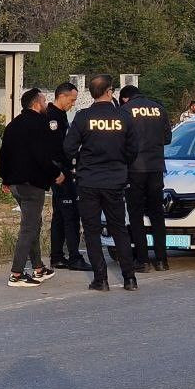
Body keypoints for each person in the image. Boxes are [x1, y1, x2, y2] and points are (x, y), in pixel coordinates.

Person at [63, 74, 138, 292]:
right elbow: (133, 150)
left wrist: (78, 164)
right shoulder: (123, 117)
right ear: (109, 91)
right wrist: (120, 165)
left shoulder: (82, 117)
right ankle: (129, 279)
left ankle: (101, 279)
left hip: (88, 181)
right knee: (119, 230)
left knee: (92, 230)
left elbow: (68, 149)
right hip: (115, 182)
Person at [0, 88, 63, 287]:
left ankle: (38, 268)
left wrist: (5, 179)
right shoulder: (39, 124)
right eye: (44, 100)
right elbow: (42, 156)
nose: (46, 104)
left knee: (33, 223)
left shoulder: (12, 125)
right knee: (29, 228)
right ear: (36, 103)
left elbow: (4, 154)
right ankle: (16, 274)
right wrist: (56, 173)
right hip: (32, 185)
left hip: (15, 184)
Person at [119, 84, 173, 272]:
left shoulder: (125, 110)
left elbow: (121, 140)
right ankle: (162, 260)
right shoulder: (159, 108)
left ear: (125, 98)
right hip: (156, 167)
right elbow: (167, 139)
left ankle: (142, 260)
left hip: (134, 169)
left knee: (136, 215)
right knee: (157, 214)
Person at [46, 82, 90, 272]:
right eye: (71, 100)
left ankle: (57, 256)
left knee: (59, 216)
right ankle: (74, 256)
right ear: (62, 96)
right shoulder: (52, 118)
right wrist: (60, 171)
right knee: (70, 215)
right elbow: (53, 150)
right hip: (60, 174)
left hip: (63, 172)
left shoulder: (61, 115)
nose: (73, 104)